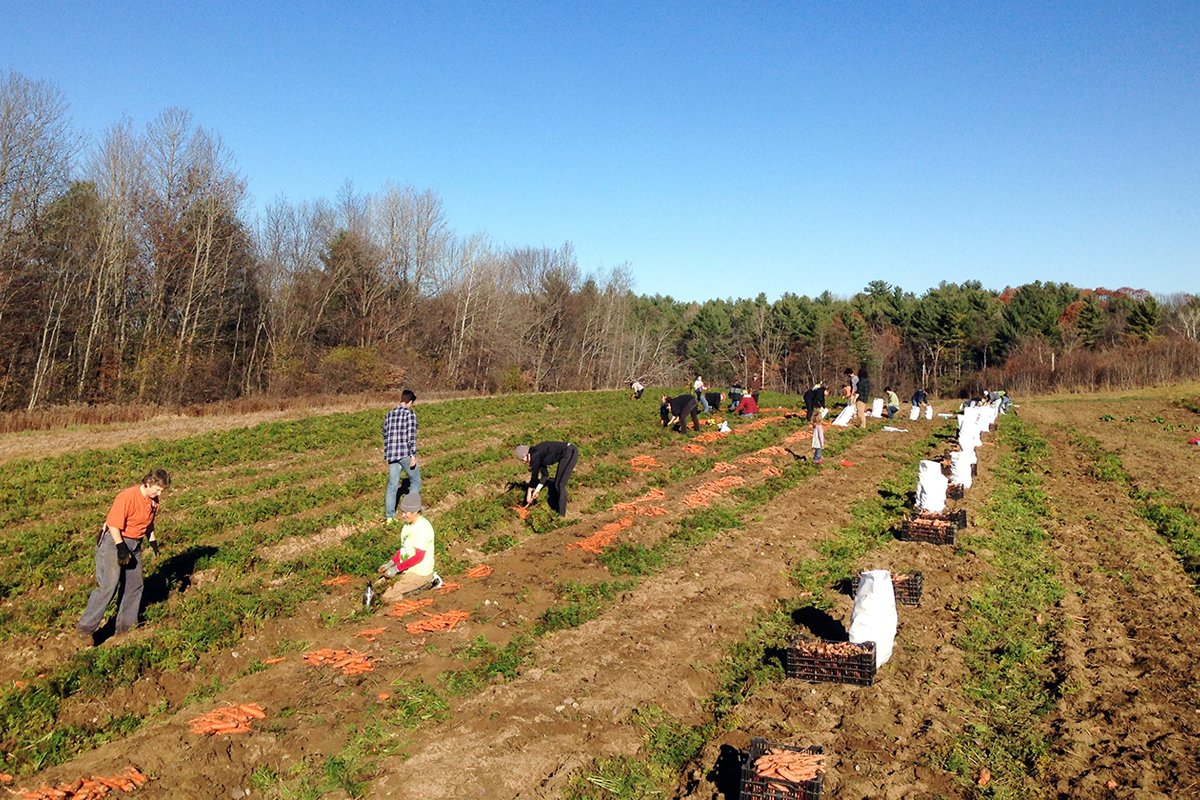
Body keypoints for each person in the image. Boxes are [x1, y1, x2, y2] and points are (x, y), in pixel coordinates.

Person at [76, 468, 170, 642]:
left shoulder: (153, 501)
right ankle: (85, 629)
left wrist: (153, 541)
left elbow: (148, 523)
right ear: (148, 483)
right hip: (114, 542)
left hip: (134, 544)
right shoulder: (127, 497)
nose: (159, 493)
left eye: (162, 490)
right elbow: (113, 524)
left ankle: (126, 629)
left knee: (135, 586)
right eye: (157, 489)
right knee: (108, 585)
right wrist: (120, 547)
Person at [377, 492, 441, 601]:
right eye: (402, 512)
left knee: (388, 597)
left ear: (416, 511)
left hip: (419, 572)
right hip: (406, 568)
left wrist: (396, 569)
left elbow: (418, 557)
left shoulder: (422, 528)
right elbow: (404, 549)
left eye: (406, 512)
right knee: (378, 584)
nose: (403, 515)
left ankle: (428, 584)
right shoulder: (407, 526)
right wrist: (391, 563)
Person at [514, 441, 580, 516]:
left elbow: (534, 478)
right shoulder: (537, 456)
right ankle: (557, 511)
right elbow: (545, 475)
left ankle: (562, 516)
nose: (524, 462)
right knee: (557, 484)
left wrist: (529, 494)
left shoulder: (535, 455)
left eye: (523, 460)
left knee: (560, 485)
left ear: (526, 454)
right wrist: (537, 491)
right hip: (565, 455)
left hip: (569, 452)